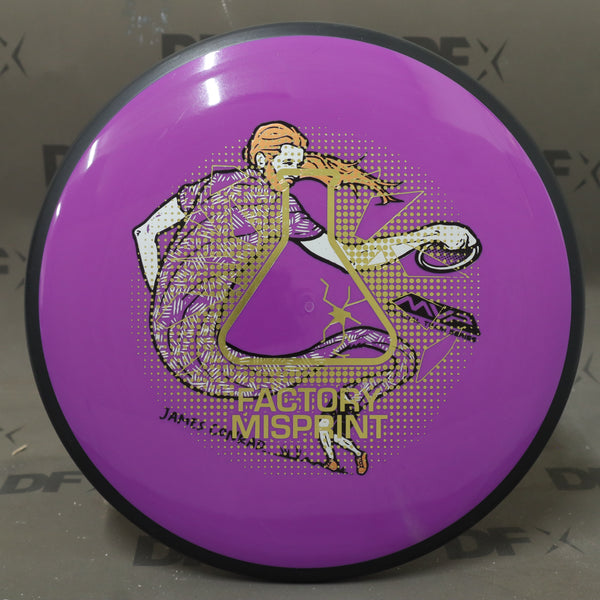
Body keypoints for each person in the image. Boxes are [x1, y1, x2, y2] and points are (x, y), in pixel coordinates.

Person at [133, 121, 480, 474]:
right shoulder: (261, 202)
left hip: (177, 342)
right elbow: (354, 258)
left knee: (377, 344)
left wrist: (165, 303)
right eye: (287, 162)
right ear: (261, 159)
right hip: (203, 359)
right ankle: (338, 416)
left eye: (298, 165)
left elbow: (145, 233)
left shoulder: (227, 187)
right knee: (385, 348)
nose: (295, 174)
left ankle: (336, 420)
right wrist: (425, 236)